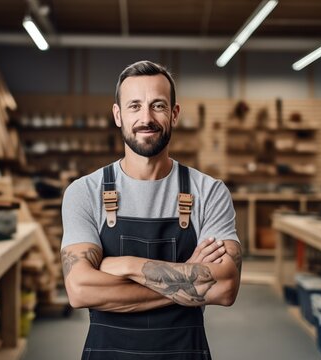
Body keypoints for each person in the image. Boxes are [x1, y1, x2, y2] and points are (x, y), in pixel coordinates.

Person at [60, 60, 241, 360]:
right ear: (118, 115)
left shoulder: (209, 192)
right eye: (134, 106)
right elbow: (80, 289)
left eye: (158, 105)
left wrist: (127, 265)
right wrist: (188, 278)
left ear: (174, 113)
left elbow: (224, 286)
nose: (146, 117)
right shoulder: (84, 192)